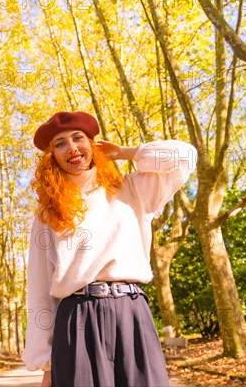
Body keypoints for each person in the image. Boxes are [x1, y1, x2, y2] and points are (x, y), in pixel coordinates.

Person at [22, 111, 197, 387]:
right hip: (76, 320)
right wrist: (46, 363)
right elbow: (40, 290)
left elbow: (185, 156)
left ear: (93, 144)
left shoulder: (131, 189)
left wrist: (127, 153)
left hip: (131, 313)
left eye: (78, 138)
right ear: (52, 156)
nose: (72, 148)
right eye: (60, 143)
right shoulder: (48, 212)